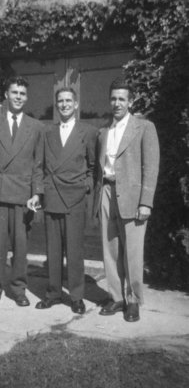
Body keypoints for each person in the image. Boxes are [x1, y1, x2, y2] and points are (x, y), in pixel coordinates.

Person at [93, 77, 160, 322]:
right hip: (107, 193)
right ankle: (116, 297)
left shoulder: (144, 128)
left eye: (122, 99)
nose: (117, 103)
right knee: (109, 249)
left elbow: (151, 167)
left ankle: (133, 301)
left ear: (130, 101)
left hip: (133, 198)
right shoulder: (103, 131)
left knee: (132, 252)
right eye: (113, 98)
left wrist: (146, 201)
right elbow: (98, 169)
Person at [0, 76, 44, 307]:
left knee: (20, 245)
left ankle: (18, 289)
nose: (18, 97)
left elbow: (38, 165)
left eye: (22, 94)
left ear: (26, 97)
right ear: (6, 94)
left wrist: (37, 192)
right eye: (14, 92)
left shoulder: (36, 127)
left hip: (23, 194)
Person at [30, 87, 97, 314]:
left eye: (69, 101)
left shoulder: (88, 131)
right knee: (54, 248)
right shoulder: (47, 132)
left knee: (75, 250)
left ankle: (76, 297)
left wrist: (84, 187)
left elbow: (93, 167)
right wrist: (39, 192)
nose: (65, 104)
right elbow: (38, 166)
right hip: (52, 196)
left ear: (76, 104)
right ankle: (53, 293)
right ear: (56, 105)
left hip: (75, 198)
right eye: (60, 101)